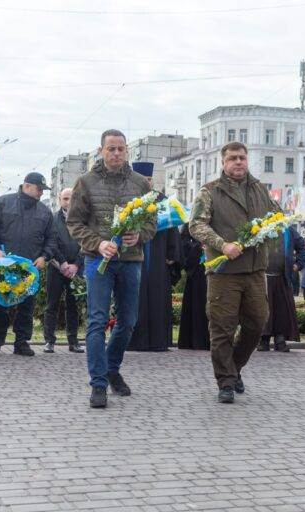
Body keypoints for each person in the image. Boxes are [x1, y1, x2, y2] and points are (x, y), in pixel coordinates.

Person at [66, 129, 155, 408]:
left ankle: (112, 367)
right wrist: (99, 243)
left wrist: (139, 236)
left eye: (121, 149)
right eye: (111, 149)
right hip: (97, 261)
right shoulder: (85, 182)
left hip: (130, 261)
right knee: (97, 321)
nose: (116, 153)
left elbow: (152, 223)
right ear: (101, 151)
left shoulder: (141, 183)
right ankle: (98, 384)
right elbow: (74, 224)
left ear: (127, 151)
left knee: (128, 321)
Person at [190, 141, 277, 403]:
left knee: (257, 323)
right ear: (223, 163)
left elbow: (277, 216)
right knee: (222, 328)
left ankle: (235, 367)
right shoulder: (210, 191)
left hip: (254, 270)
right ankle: (225, 382)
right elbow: (196, 225)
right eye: (232, 158)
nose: (238, 162)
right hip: (224, 272)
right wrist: (222, 244)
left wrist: (274, 227)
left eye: (242, 158)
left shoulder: (260, 189)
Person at [0, 172, 56, 357]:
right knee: (0, 303)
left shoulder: (44, 211)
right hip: (4, 265)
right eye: (39, 189)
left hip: (29, 268)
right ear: (27, 186)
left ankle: (21, 342)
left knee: (26, 306)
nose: (41, 193)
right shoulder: (3, 203)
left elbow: (52, 238)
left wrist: (44, 257)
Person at [127, 161, 181, 352]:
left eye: (149, 179)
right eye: (143, 179)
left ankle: (158, 341)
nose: (146, 182)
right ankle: (133, 341)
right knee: (134, 297)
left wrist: (172, 253)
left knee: (157, 297)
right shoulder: (128, 199)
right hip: (133, 255)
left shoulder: (162, 200)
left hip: (158, 257)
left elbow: (173, 227)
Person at [42, 187, 84, 354]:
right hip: (56, 269)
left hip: (76, 269)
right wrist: (63, 263)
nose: (69, 201)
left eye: (72, 198)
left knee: (73, 306)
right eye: (65, 198)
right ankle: (49, 341)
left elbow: (86, 243)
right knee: (51, 305)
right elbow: (51, 242)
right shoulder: (52, 219)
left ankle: (73, 341)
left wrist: (76, 265)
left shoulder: (83, 220)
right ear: (59, 200)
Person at [258, 224, 305, 352]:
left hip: (282, 277)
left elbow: (302, 247)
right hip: (263, 278)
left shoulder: (289, 230)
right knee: (264, 309)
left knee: (282, 310)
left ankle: (280, 340)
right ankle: (264, 340)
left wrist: (298, 264)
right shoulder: (259, 228)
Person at [177, 223, 210, 350]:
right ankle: (195, 340)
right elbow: (183, 243)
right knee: (197, 303)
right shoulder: (190, 223)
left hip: (215, 268)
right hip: (198, 273)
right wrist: (198, 248)